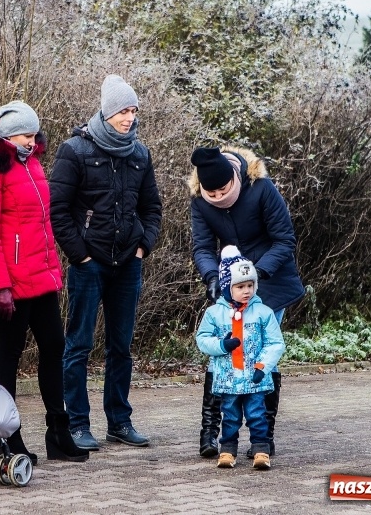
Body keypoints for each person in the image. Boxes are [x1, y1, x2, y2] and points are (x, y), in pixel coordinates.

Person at [0, 100, 89, 464]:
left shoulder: (30, 163)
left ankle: (59, 433)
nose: (32, 142)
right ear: (5, 134)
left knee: (54, 347)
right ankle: (9, 438)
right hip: (11, 283)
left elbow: (41, 224)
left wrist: (53, 270)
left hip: (41, 276)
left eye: (34, 135)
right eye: (24, 135)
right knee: (10, 356)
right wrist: (0, 286)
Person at [49, 75, 163, 450]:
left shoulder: (140, 154)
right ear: (106, 111)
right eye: (122, 111)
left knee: (121, 347)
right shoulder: (75, 150)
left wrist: (143, 246)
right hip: (88, 264)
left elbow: (152, 207)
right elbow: (58, 211)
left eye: (132, 111)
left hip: (128, 262)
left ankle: (120, 420)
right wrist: (79, 254)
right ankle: (78, 425)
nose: (128, 118)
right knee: (78, 345)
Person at [189, 146, 304, 459]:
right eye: (209, 191)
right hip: (228, 285)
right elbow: (201, 247)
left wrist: (258, 273)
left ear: (235, 178)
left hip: (269, 280)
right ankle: (210, 433)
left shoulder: (261, 189)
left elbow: (284, 240)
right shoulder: (200, 202)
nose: (216, 196)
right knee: (222, 351)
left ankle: (263, 436)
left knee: (263, 353)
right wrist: (213, 278)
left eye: (223, 190)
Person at [195, 245, 285, 470]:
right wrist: (221, 345)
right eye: (240, 286)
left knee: (257, 415)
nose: (246, 290)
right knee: (231, 416)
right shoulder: (214, 313)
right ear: (227, 287)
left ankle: (261, 450)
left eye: (250, 285)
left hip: (255, 379)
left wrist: (262, 367)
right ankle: (227, 450)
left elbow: (275, 343)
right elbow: (203, 339)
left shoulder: (263, 312)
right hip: (228, 380)